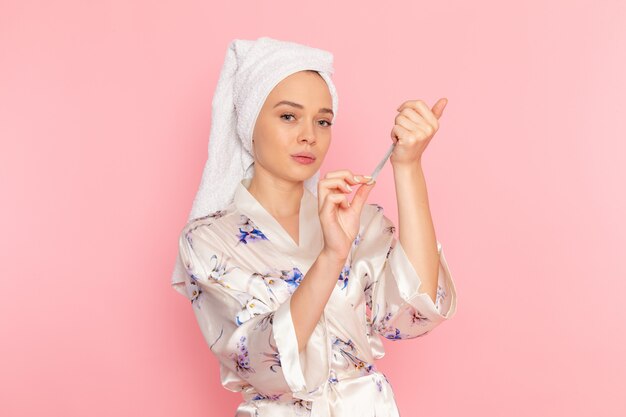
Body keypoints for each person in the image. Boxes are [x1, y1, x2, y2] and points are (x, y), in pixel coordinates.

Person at [171, 37, 457, 417]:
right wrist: (332, 255)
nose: (310, 134)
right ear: (249, 122)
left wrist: (407, 166)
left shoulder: (354, 219)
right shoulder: (208, 240)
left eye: (323, 120)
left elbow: (413, 312)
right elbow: (261, 363)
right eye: (289, 116)